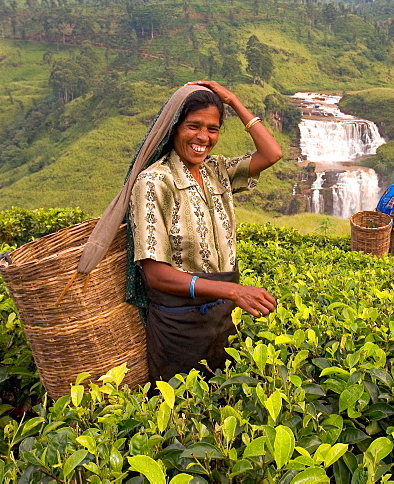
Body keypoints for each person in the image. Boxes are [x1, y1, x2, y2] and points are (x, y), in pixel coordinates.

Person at [117, 80, 282, 382]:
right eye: (193, 126)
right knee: (182, 411)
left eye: (213, 128)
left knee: (223, 403)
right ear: (174, 128)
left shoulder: (216, 170)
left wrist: (232, 100)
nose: (203, 137)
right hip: (180, 326)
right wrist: (233, 290)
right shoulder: (155, 181)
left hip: (221, 318)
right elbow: (155, 274)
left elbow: (271, 154)